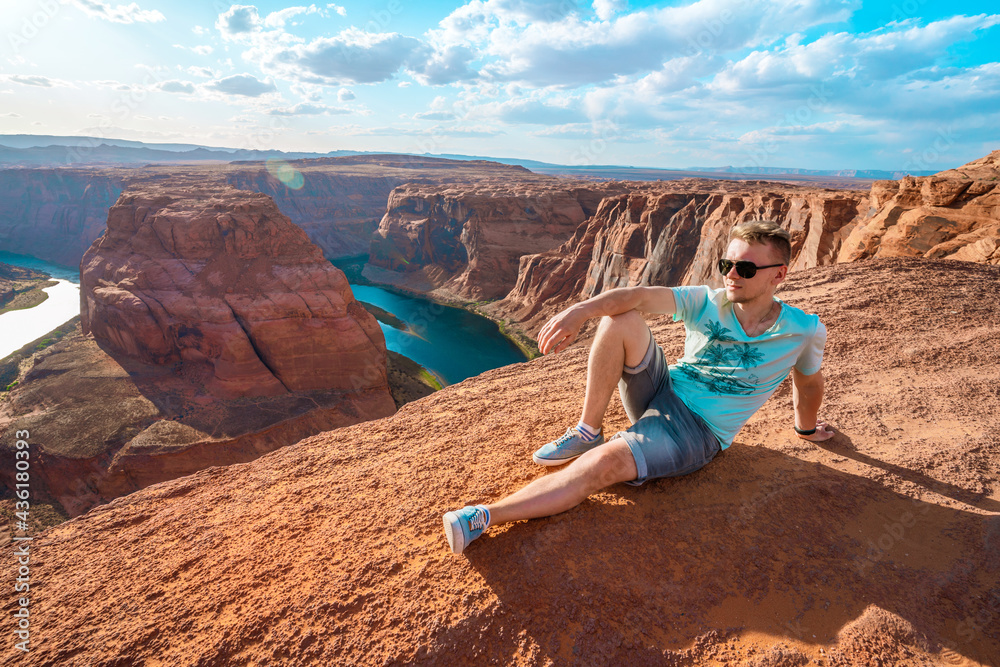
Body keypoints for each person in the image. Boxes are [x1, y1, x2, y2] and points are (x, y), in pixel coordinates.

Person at [443, 220, 834, 554]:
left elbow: (808, 382)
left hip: (695, 431)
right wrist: (578, 310)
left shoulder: (804, 330)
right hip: (663, 389)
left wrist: (806, 428)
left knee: (604, 466)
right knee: (620, 318)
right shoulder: (708, 301)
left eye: (745, 268)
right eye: (726, 264)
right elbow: (636, 296)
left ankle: (483, 516)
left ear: (778, 274)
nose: (731, 274)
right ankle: (587, 430)